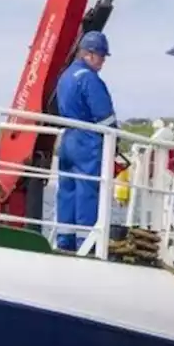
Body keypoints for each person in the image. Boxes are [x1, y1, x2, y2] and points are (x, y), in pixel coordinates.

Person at [54, 31, 117, 252]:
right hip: (87, 140)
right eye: (101, 56)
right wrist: (115, 142)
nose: (103, 61)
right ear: (90, 54)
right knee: (88, 189)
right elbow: (105, 116)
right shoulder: (89, 79)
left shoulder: (66, 76)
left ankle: (64, 240)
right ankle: (86, 242)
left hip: (68, 138)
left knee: (67, 189)